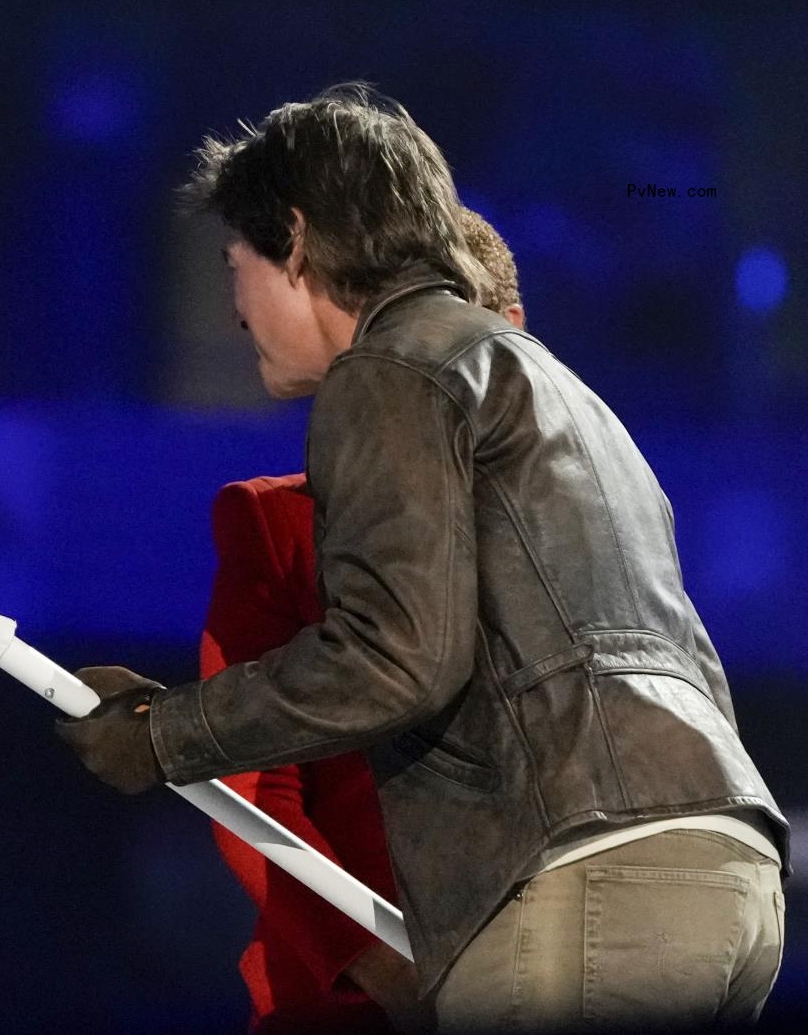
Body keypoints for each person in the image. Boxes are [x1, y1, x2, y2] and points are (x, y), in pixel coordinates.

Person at [59, 85, 787, 1030]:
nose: (235, 307)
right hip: (723, 869)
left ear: (296, 234)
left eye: (236, 261)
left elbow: (398, 657)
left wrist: (164, 733)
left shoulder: (392, 368)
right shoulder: (567, 391)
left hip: (581, 880)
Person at [203, 208, 525, 1034]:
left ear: (511, 336)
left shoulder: (572, 531)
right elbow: (252, 786)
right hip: (349, 1003)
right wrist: (381, 966)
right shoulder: (277, 524)